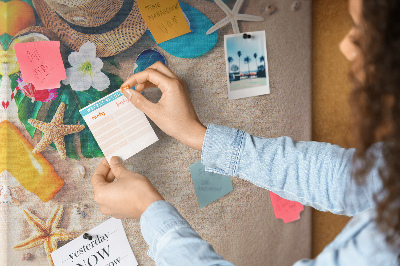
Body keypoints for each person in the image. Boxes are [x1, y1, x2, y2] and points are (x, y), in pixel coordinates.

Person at [91, 0, 400, 264]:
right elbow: (346, 179)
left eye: (364, 32)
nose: (346, 46)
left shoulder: (386, 247)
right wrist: (196, 134)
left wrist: (149, 210)